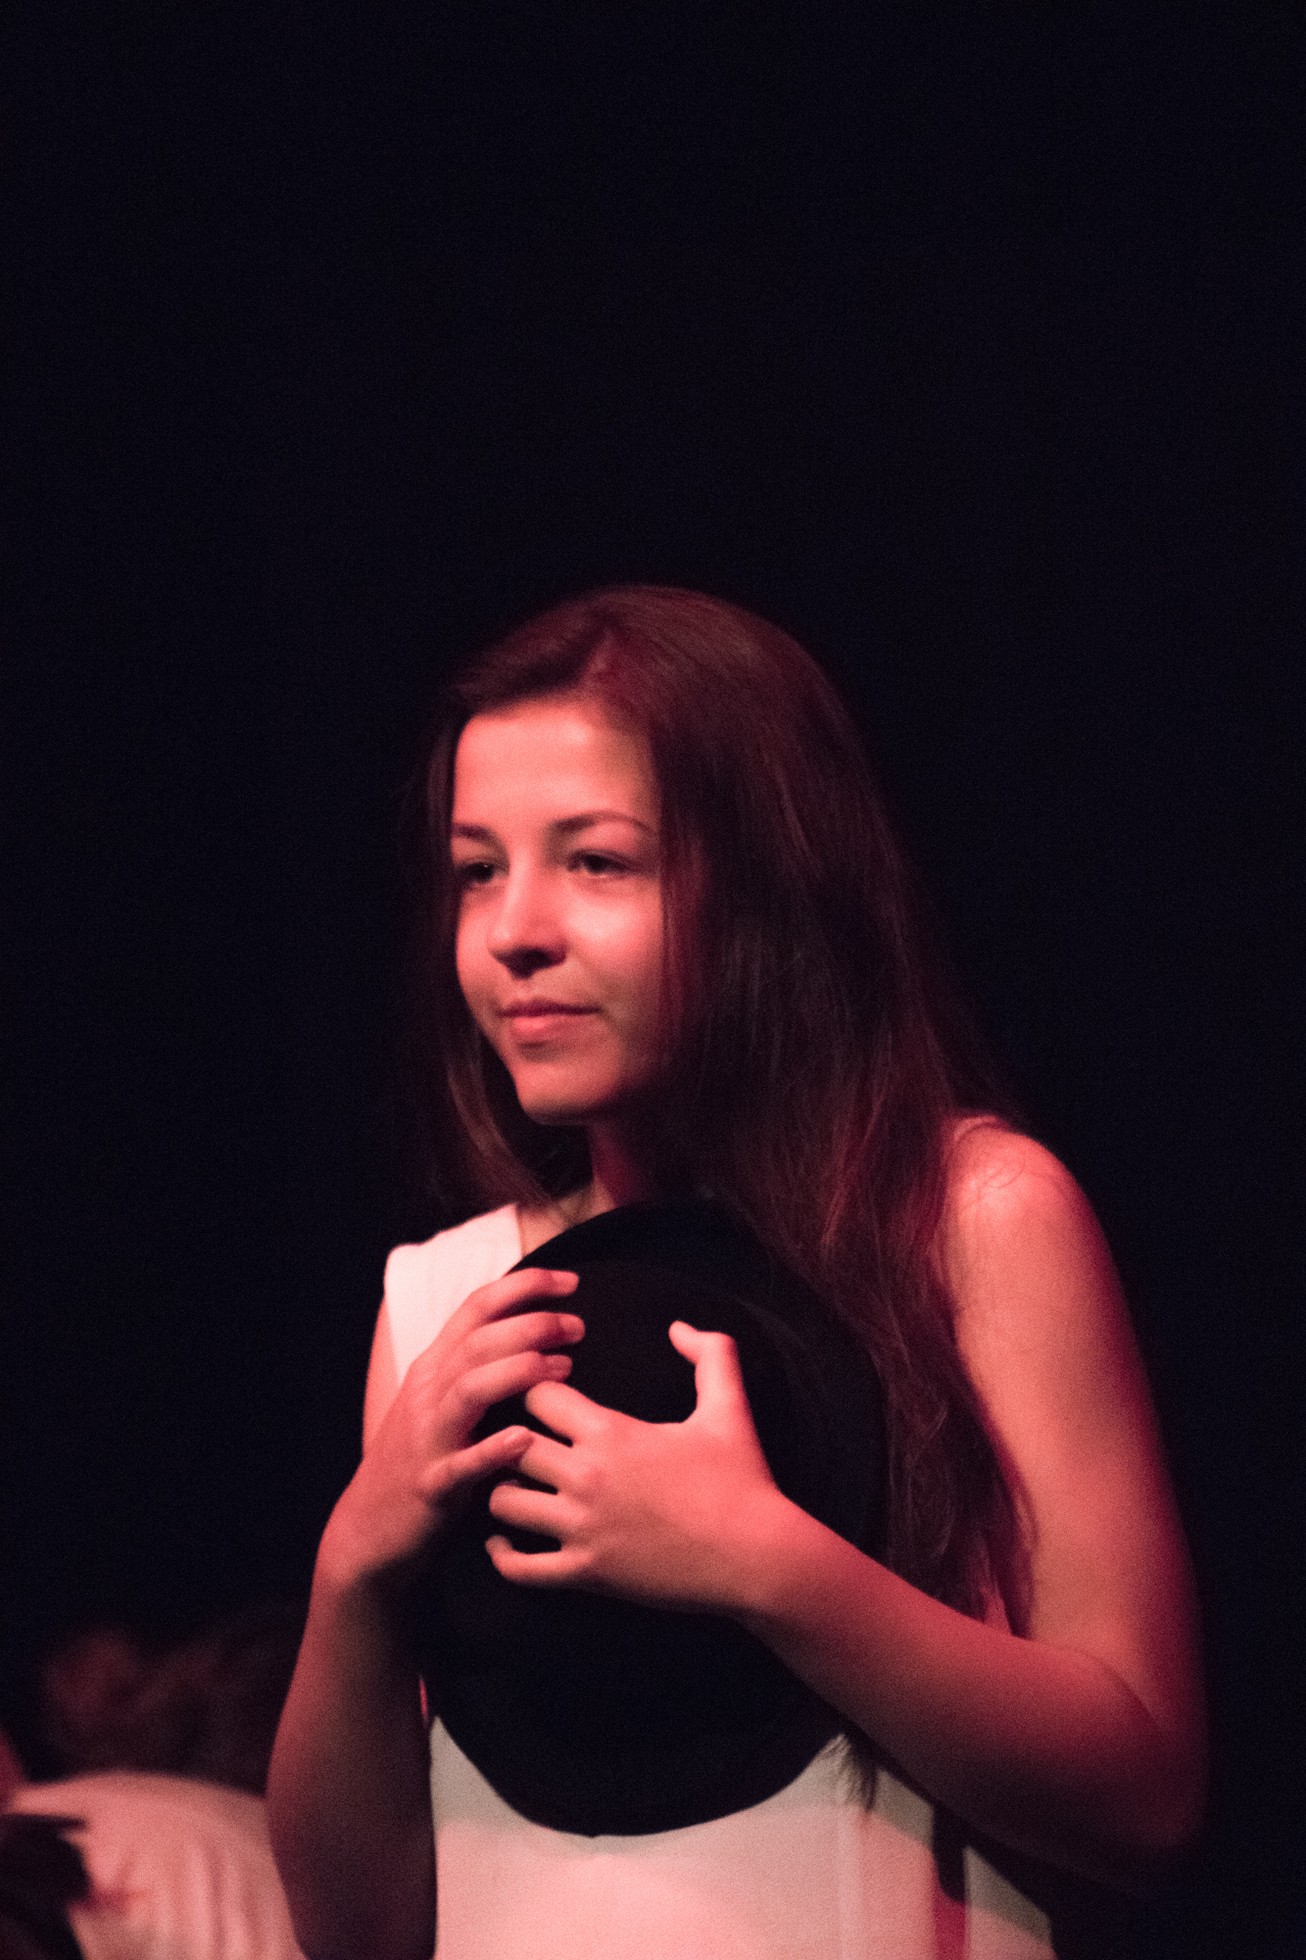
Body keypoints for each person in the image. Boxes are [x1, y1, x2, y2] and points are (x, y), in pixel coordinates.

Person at [266, 586, 1205, 1959]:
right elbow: (362, 1931)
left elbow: (1147, 1795)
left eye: (597, 862)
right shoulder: (445, 1300)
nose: (515, 930)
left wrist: (768, 1565)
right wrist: (353, 1566)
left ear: (771, 882)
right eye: (477, 870)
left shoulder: (970, 1221)